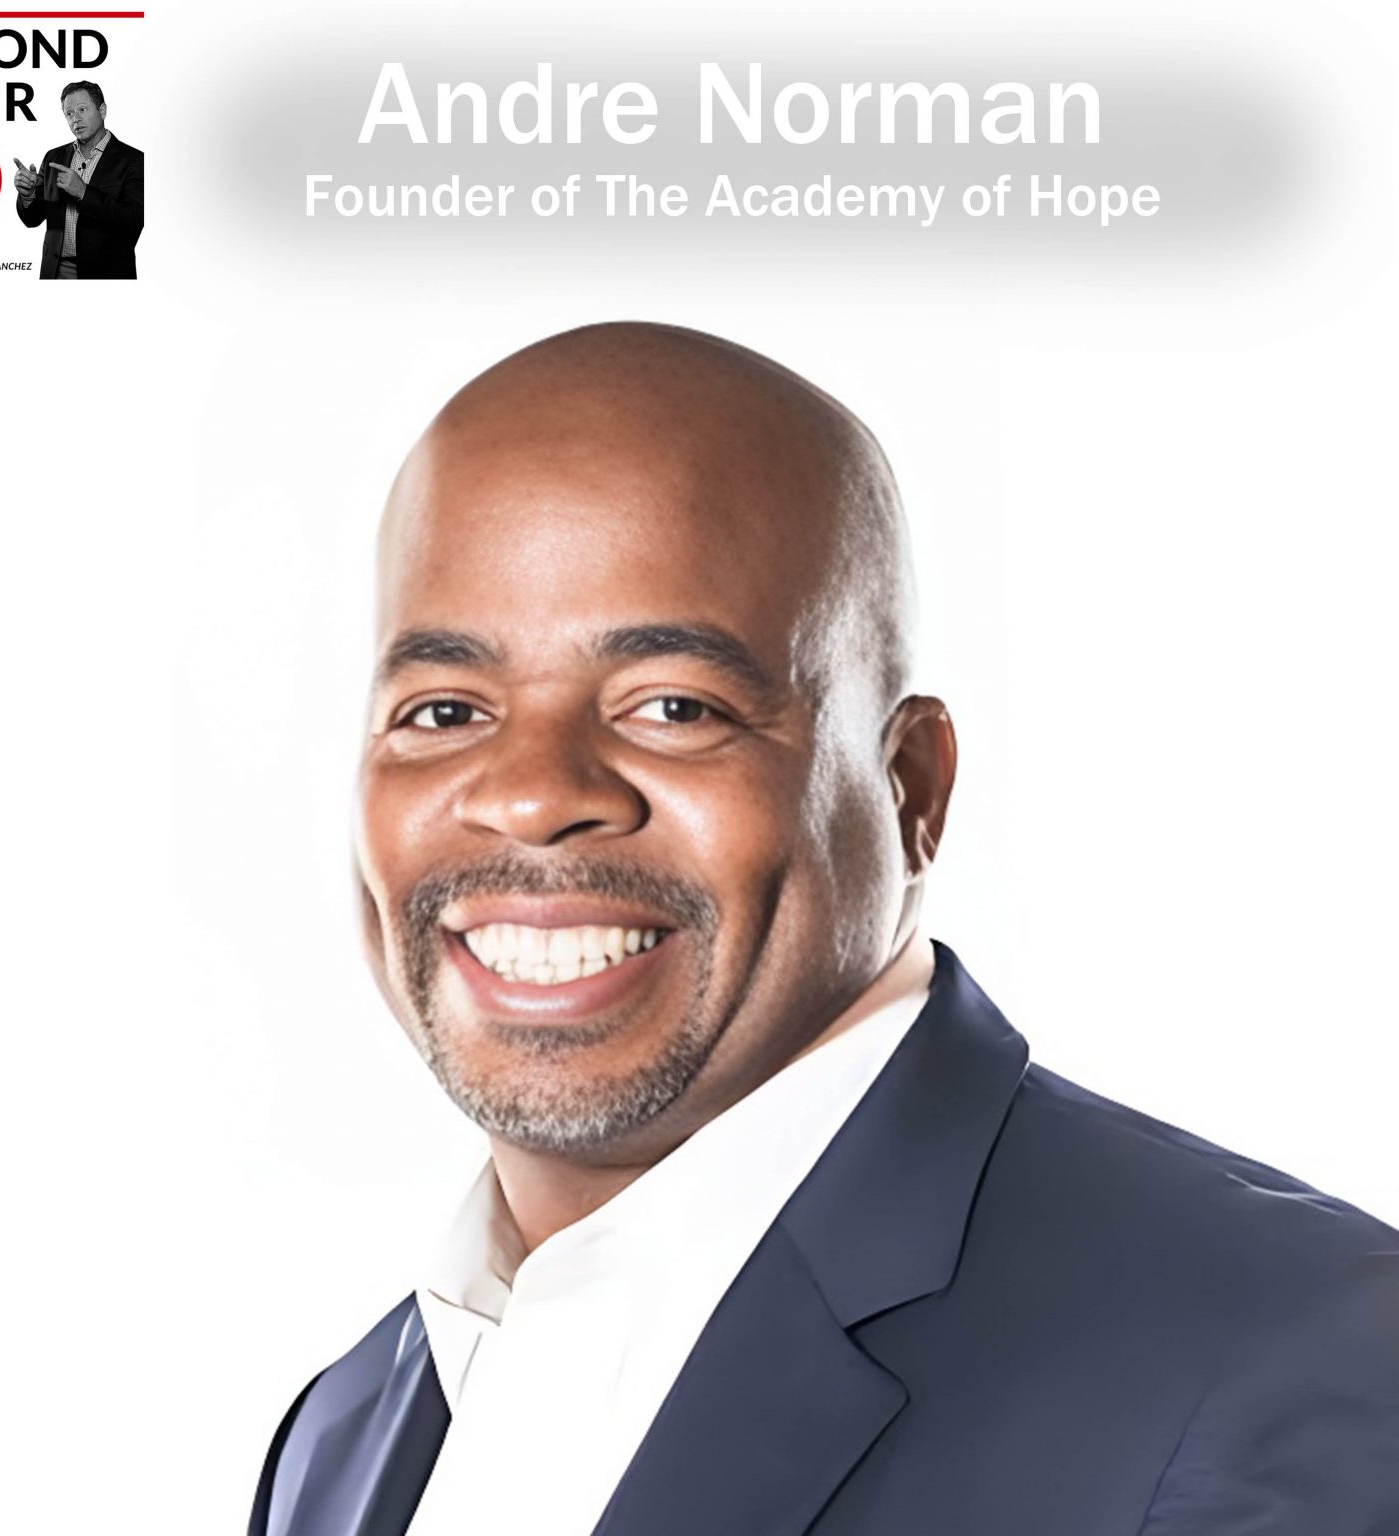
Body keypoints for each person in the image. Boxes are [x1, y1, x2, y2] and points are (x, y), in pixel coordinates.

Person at [250, 323, 1399, 1536]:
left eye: (674, 706)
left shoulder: (1286, 1358)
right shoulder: (341, 1438)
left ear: (912, 791)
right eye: (442, 711)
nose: (534, 796)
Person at [12, 80, 143, 279]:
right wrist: (28, 195)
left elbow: (134, 220)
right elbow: (32, 219)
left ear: (102, 110)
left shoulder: (134, 160)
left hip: (106, 273)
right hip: (55, 271)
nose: (76, 119)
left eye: (82, 109)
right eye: (69, 113)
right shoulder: (53, 157)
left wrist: (84, 192)